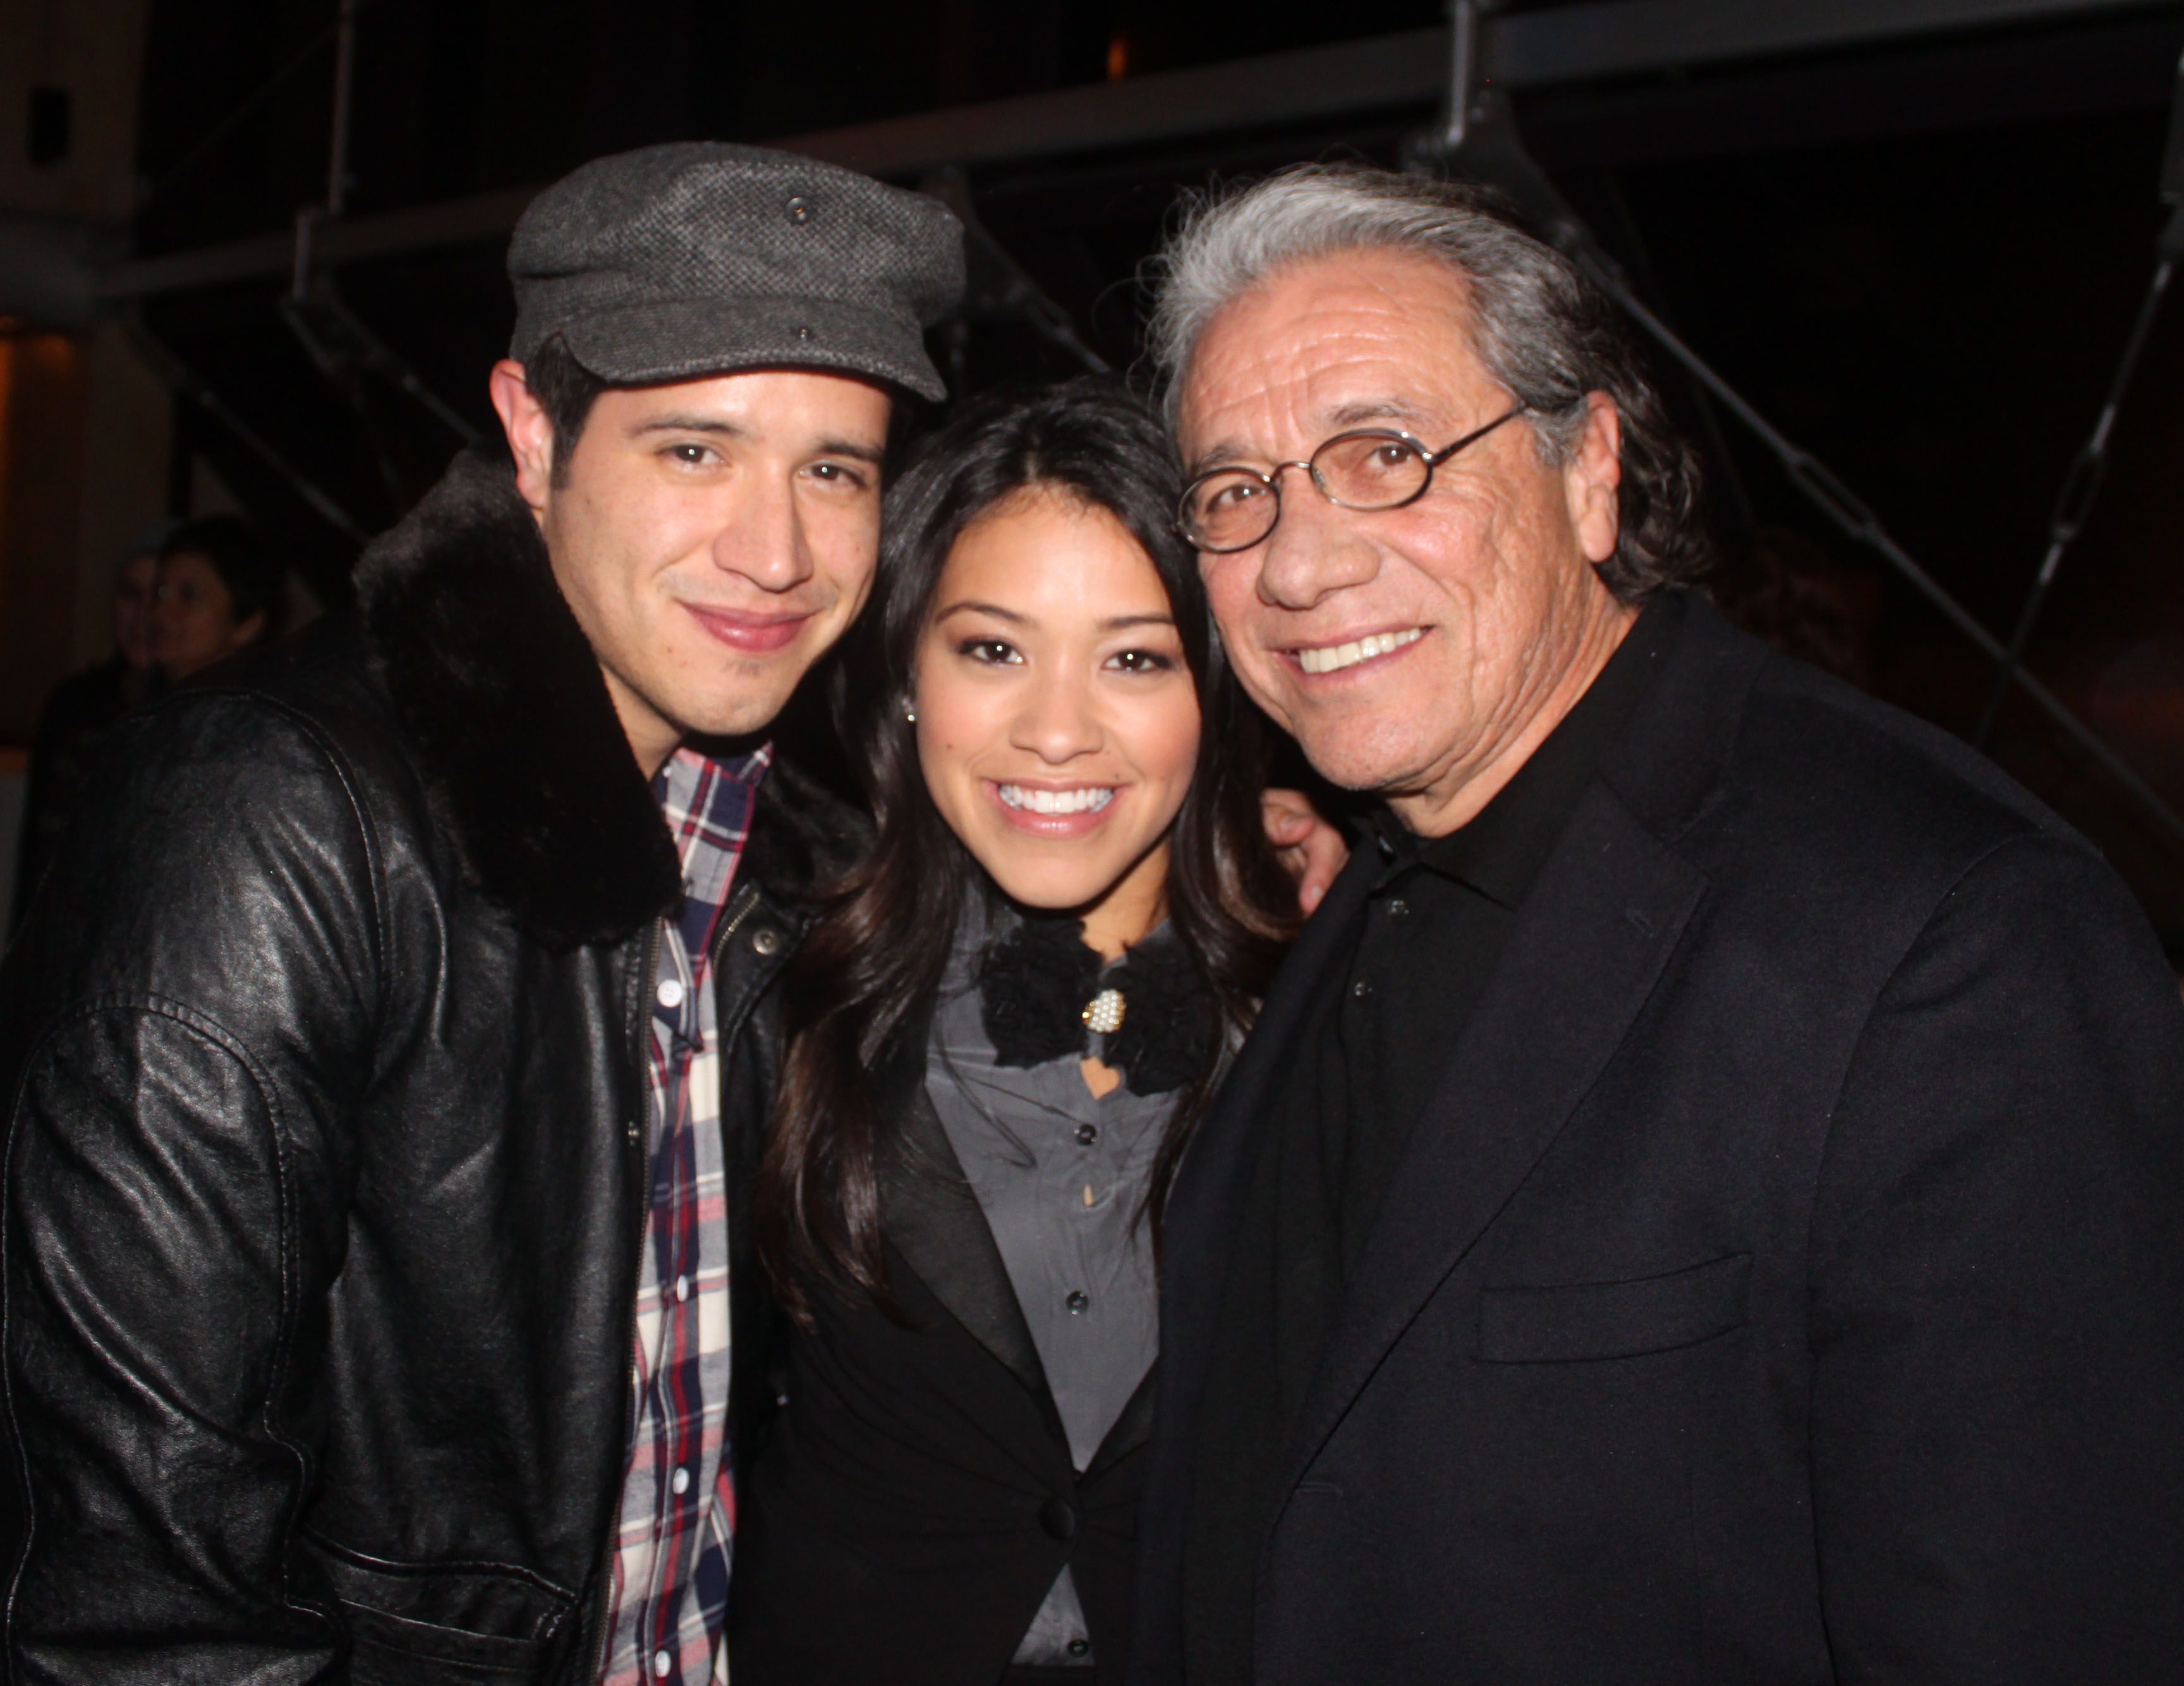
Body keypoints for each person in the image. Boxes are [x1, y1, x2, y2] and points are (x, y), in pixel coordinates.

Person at [1127, 164, 2184, 1685]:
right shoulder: (1355, 883)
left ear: (1586, 469)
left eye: (1383, 455)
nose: (1297, 562)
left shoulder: (1941, 934)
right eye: (1236, 493)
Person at [0, 141, 964, 1684]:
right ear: (531, 434)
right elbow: (138, 1600)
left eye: (832, 469)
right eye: (694, 451)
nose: (774, 553)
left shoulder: (770, 824)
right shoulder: (275, 816)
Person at [732, 381, 1295, 1685]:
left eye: (1135, 656)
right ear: (909, 675)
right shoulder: (779, 992)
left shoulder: (1341, 1007)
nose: (1054, 729)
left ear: (1216, 684)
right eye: (991, 648)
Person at [10, 523, 167, 931]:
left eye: (161, 596)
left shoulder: (190, 711)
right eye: (131, 594)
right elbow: (39, 841)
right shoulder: (76, 701)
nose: (144, 615)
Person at [152, 513, 289, 683]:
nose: (160, 611)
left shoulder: (253, 707)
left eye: (189, 595)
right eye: (161, 592)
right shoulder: (130, 697)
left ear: (248, 625)